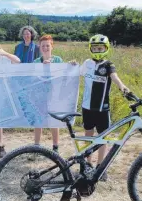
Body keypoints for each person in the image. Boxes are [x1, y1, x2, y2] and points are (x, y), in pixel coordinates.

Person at [72, 34, 129, 181]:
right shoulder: (87, 63)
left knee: (103, 138)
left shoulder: (108, 65)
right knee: (89, 137)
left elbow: (115, 77)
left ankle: (101, 167)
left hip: (103, 109)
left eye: (100, 48)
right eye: (95, 48)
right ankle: (87, 165)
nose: (97, 50)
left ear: (106, 48)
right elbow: (76, 73)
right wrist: (72, 65)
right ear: (91, 49)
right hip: (87, 108)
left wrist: (122, 87)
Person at [32, 35, 63, 155]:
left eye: (47, 45)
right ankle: (36, 147)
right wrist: (42, 68)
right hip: (39, 95)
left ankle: (55, 147)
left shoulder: (58, 60)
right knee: (38, 121)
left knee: (54, 121)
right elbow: (33, 79)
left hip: (54, 95)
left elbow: (64, 75)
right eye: (43, 45)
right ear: (40, 47)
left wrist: (72, 65)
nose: (45, 48)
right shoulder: (36, 62)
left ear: (52, 46)